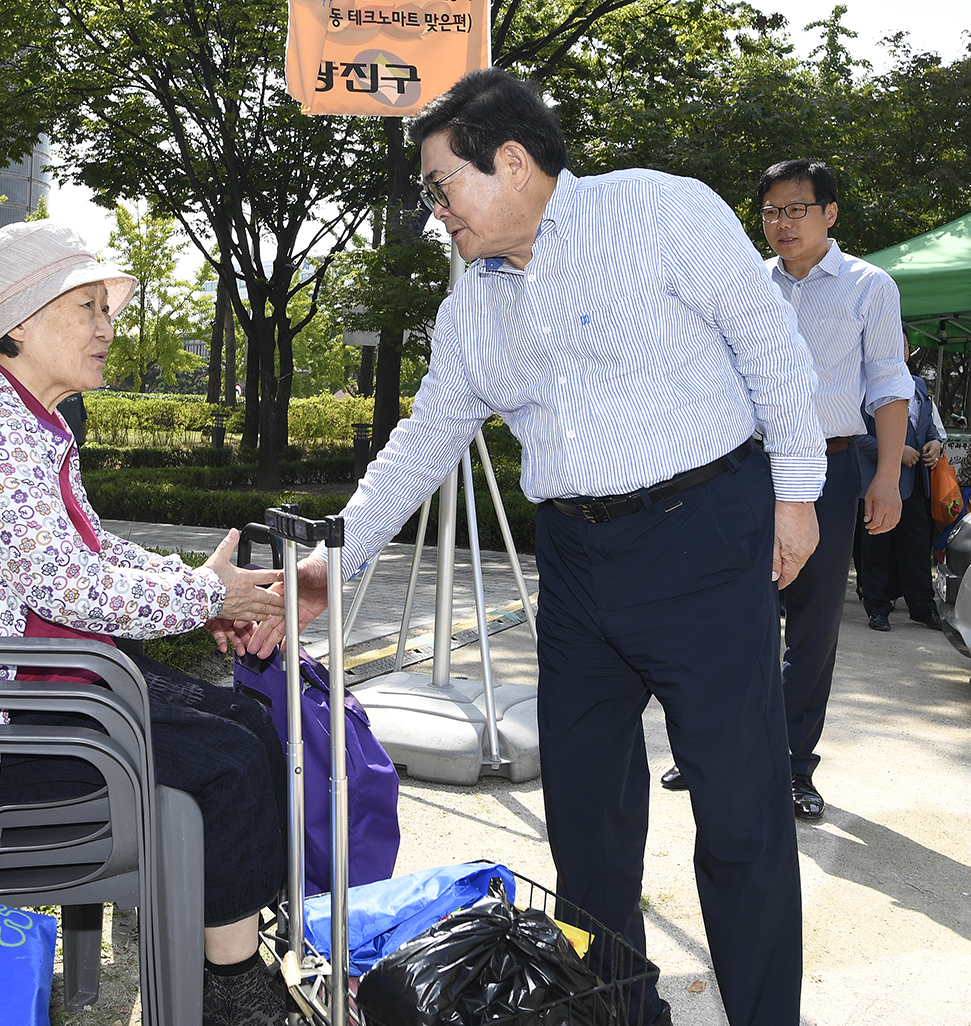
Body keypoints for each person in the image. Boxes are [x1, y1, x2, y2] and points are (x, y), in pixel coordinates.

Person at [258, 69, 823, 1026]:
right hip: (572, 564)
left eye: (443, 186)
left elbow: (770, 343)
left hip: (704, 542)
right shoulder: (472, 303)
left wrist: (800, 494)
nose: (437, 213)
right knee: (587, 830)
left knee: (740, 817)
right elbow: (424, 439)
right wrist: (332, 564)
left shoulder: (659, 212)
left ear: (511, 162)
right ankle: (620, 1015)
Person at [0, 220, 290, 1026]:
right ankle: (233, 990)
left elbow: (95, 550)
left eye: (109, 307)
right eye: (87, 306)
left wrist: (200, 586)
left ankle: (233, 949)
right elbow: (73, 587)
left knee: (242, 715)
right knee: (232, 758)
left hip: (28, 697)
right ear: (20, 323)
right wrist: (210, 599)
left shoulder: (23, 418)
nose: (108, 326)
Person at [665, 160, 914, 821]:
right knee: (722, 620)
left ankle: (793, 768)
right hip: (741, 469)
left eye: (796, 209)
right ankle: (708, 753)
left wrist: (887, 476)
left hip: (830, 471)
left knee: (811, 627)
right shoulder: (744, 283)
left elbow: (890, 384)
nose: (781, 223)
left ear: (829, 213)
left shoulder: (869, 287)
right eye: (771, 211)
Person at [856, 340, 944, 631]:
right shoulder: (864, 383)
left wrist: (934, 442)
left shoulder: (918, 385)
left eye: (904, 343)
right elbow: (857, 436)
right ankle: (878, 608)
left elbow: (927, 426)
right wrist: (894, 451)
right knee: (877, 548)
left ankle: (922, 607)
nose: (899, 347)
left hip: (916, 484)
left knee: (917, 549)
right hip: (879, 482)